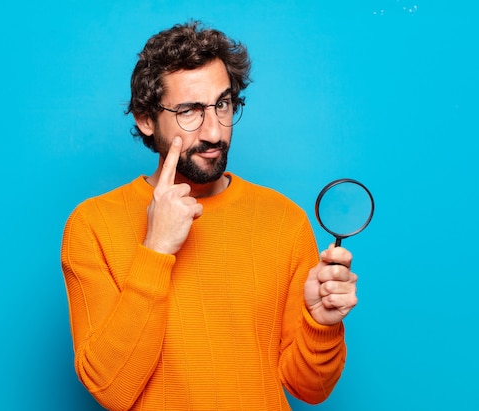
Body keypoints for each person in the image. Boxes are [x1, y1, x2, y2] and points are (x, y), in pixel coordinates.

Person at [61, 21, 358, 411]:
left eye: (222, 104)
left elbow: (309, 389)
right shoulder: (92, 225)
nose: (215, 132)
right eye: (189, 111)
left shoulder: (284, 220)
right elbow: (112, 391)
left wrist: (321, 325)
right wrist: (156, 249)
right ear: (146, 118)